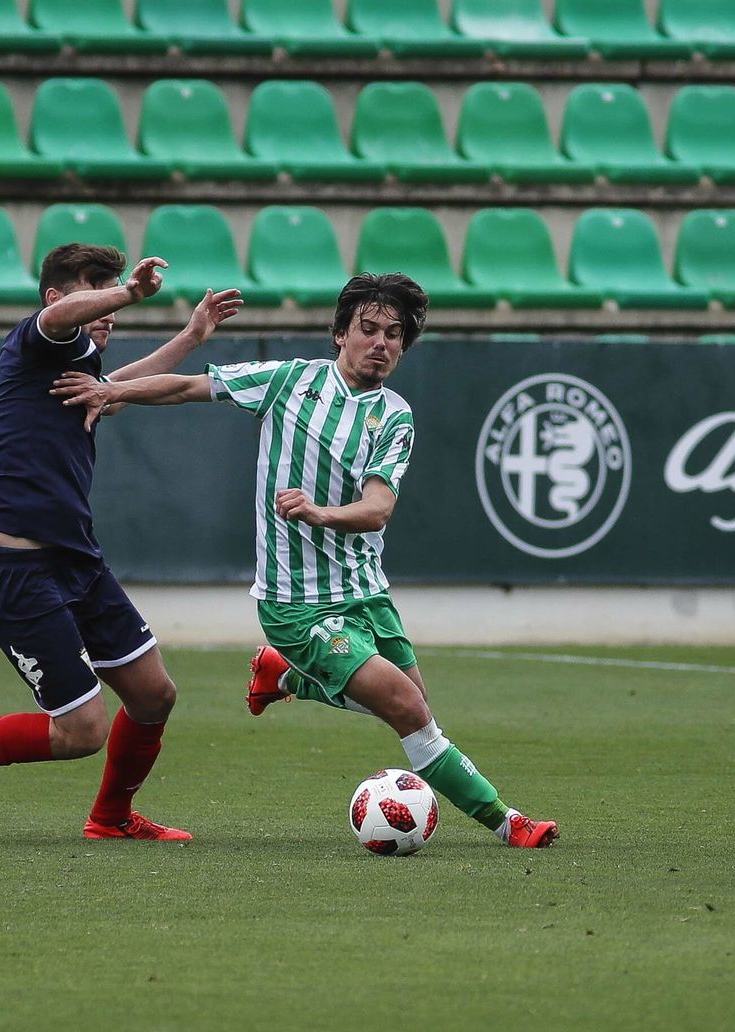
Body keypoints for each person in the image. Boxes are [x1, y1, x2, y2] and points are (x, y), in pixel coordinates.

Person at [51, 273, 559, 849]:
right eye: (368, 329)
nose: (382, 343)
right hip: (298, 603)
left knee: (414, 710)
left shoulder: (394, 415)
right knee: (406, 706)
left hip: (368, 594)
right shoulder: (290, 381)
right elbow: (188, 387)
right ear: (341, 333)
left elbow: (377, 509)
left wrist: (320, 513)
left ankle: (284, 675)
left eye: (395, 335)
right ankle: (507, 822)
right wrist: (112, 391)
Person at [0, 244, 241, 840]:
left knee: (153, 695)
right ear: (56, 297)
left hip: (76, 561)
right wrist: (129, 292)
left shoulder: (73, 371)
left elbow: (114, 388)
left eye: (111, 292)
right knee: (81, 732)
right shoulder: (37, 340)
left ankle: (111, 819)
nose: (108, 307)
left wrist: (190, 337)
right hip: (17, 570)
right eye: (94, 289)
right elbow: (55, 321)